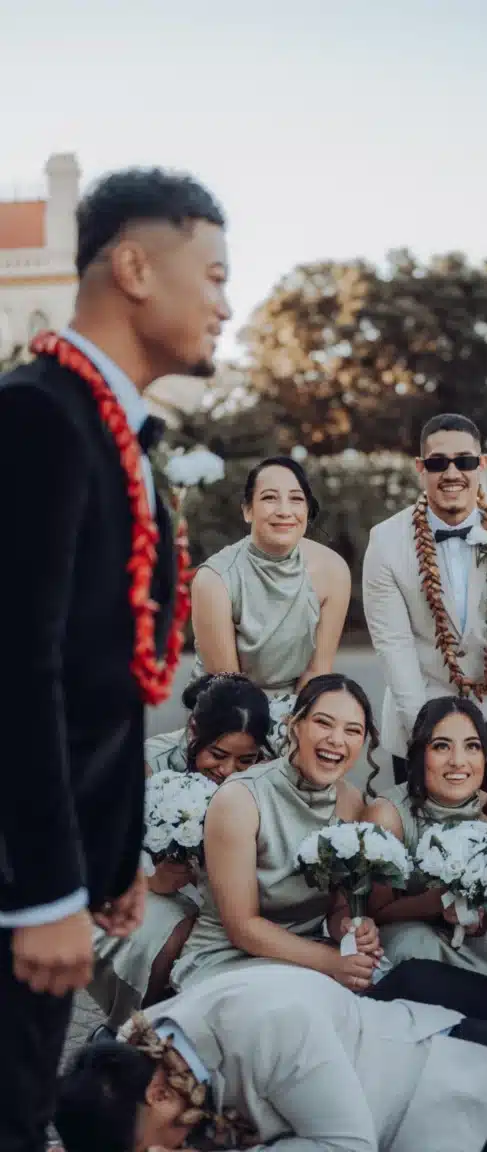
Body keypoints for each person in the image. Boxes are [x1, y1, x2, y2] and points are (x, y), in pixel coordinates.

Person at [0, 167, 228, 1152]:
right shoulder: (36, 417)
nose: (228, 302)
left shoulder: (114, 431)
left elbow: (113, 686)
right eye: (214, 274)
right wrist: (47, 890)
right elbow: (17, 670)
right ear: (135, 266)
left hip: (60, 878)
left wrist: (115, 853)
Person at [55, 963, 487, 1152]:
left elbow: (348, 1145)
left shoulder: (267, 1021)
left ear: (160, 1092)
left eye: (149, 1150)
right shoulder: (133, 1050)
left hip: (466, 1090)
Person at [363, 413, 487, 803]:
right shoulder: (385, 541)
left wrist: (485, 719)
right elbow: (393, 643)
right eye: (437, 462)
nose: (452, 473)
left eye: (464, 461)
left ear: (481, 465)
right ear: (420, 468)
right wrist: (428, 731)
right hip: (417, 727)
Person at [170, 674, 383, 993]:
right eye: (324, 723)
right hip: (226, 958)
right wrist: (332, 962)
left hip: (307, 954)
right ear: (294, 725)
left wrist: (353, 928)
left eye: (353, 730)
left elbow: (339, 906)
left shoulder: (351, 802)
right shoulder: (241, 797)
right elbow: (242, 927)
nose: (337, 740)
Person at [89, 674, 272, 1032]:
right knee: (170, 931)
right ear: (192, 730)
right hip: (139, 895)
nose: (227, 771)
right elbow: (101, 851)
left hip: (225, 899)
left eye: (245, 760)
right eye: (217, 755)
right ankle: (132, 1030)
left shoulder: (268, 771)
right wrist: (149, 879)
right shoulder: (149, 762)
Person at [366, 697, 487, 976]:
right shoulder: (387, 815)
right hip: (403, 939)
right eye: (441, 746)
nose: (457, 761)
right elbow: (374, 912)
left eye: (472, 746)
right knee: (418, 950)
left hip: (472, 946)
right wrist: (437, 901)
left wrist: (478, 919)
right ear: (419, 754)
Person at [191, 456, 350, 701]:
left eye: (296, 499)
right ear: (247, 510)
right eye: (269, 498)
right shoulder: (214, 579)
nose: (284, 511)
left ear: (307, 510)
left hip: (300, 705)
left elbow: (317, 673)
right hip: (228, 708)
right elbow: (229, 686)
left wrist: (297, 726)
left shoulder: (333, 570)